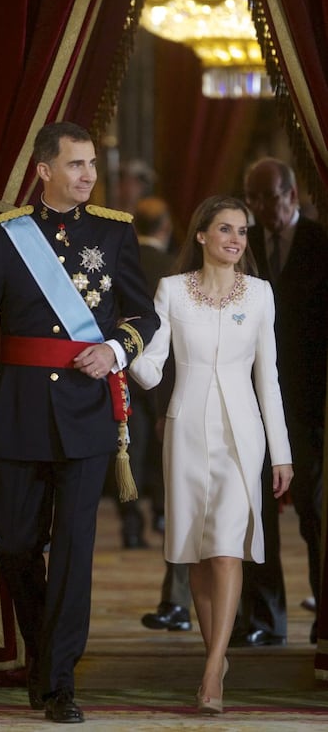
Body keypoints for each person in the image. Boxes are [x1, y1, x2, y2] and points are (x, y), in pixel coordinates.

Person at [0, 121, 160, 725]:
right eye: (76, 164)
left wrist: (116, 351)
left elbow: (144, 316)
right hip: (17, 413)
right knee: (14, 544)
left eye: (91, 163)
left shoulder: (115, 233)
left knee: (74, 550)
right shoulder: (6, 235)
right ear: (44, 170)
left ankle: (60, 681)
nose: (88, 174)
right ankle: (44, 653)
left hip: (89, 417)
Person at [129, 195, 293, 714]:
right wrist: (117, 350)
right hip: (186, 433)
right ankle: (214, 654)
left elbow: (268, 379)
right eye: (225, 229)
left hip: (243, 437)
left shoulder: (262, 294)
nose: (235, 240)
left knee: (226, 549)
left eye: (242, 232)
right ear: (200, 234)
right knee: (197, 554)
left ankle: (211, 669)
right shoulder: (172, 291)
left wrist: (282, 454)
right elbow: (152, 365)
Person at [230, 157, 328, 648]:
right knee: (255, 512)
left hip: (308, 407)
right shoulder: (240, 248)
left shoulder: (318, 244)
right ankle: (265, 618)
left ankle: (323, 615)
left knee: (314, 513)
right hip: (252, 403)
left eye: (269, 196)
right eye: (253, 198)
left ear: (292, 194)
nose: (262, 207)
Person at [116, 196, 175, 548]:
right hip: (168, 372)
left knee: (129, 448)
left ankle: (132, 525)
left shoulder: (124, 262)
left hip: (126, 366)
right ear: (166, 227)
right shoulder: (176, 267)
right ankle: (165, 514)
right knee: (164, 444)